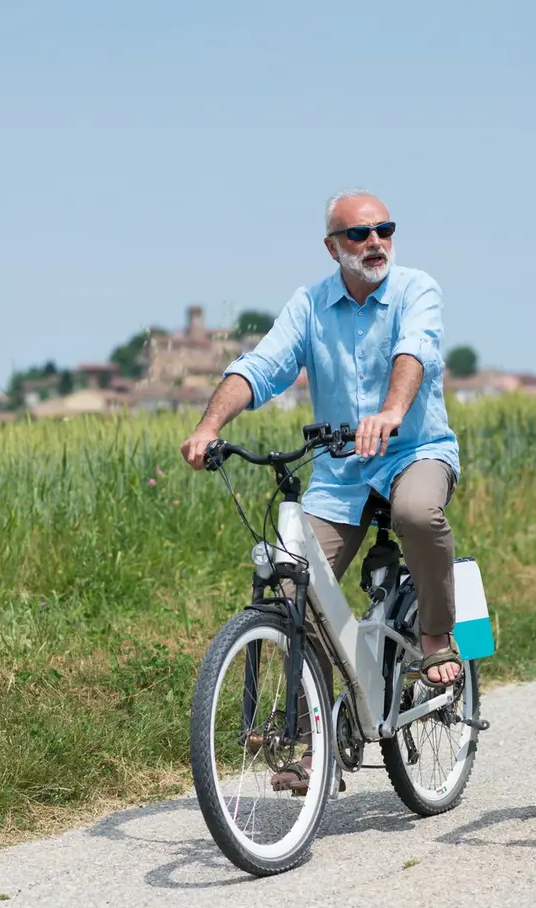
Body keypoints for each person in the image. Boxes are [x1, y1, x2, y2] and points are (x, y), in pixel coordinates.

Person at [181, 187, 463, 693]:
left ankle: (437, 633)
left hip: (413, 451)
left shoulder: (416, 289)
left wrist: (392, 411)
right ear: (333, 247)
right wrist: (209, 426)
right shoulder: (309, 304)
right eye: (359, 234)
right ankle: (321, 738)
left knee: (416, 513)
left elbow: (414, 350)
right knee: (292, 583)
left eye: (385, 230)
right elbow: (262, 366)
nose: (376, 241)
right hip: (341, 473)